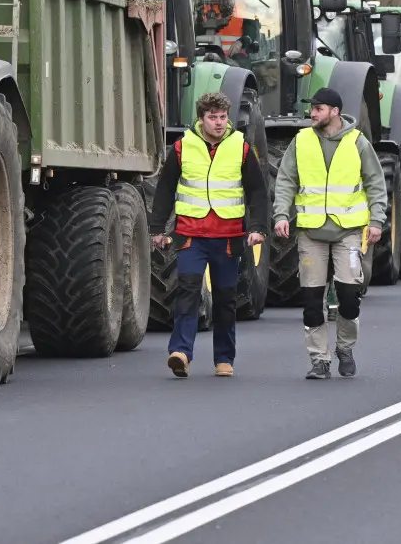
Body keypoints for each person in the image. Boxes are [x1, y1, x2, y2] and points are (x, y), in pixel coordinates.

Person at [148, 92, 269, 378]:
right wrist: (157, 228)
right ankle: (181, 352)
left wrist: (259, 228)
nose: (218, 122)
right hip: (190, 235)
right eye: (212, 117)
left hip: (228, 236)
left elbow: (257, 192)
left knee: (226, 298)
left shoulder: (240, 147)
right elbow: (165, 189)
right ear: (201, 119)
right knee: (188, 291)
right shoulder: (181, 148)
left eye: (223, 117)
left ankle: (224, 358)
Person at [272, 88, 388, 380]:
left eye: (319, 109)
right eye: (312, 109)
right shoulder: (301, 141)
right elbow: (286, 180)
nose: (312, 114)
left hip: (348, 232)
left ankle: (345, 348)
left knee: (349, 296)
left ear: (335, 112)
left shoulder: (357, 142)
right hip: (311, 233)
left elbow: (375, 183)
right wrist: (282, 214)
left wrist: (376, 221)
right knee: (312, 300)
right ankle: (319, 360)